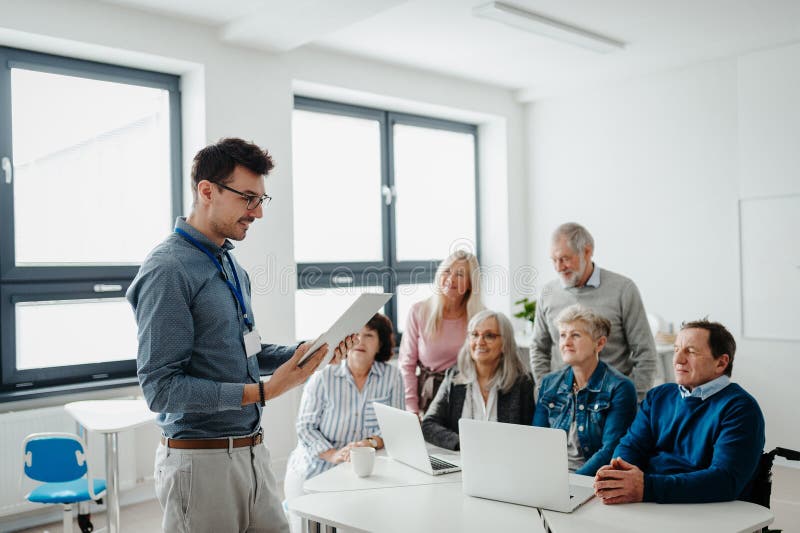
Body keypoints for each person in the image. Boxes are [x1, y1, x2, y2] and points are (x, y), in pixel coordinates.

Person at [127, 138, 353, 533]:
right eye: (248, 198)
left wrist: (306, 352)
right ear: (207, 191)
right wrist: (264, 392)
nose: (258, 213)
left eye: (262, 200)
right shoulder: (168, 270)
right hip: (200, 464)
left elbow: (247, 352)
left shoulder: (230, 265)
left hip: (252, 453)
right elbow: (161, 389)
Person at [593, 320, 765, 504]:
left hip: (704, 510)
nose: (678, 360)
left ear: (721, 363)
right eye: (676, 350)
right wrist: (619, 477)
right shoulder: (658, 396)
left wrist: (646, 487)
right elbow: (631, 447)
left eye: (690, 351)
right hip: (650, 502)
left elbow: (724, 481)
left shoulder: (740, 408)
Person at [283, 313, 403, 531]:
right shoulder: (323, 376)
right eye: (355, 335)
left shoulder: (392, 377)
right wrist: (333, 455)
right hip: (315, 467)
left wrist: (369, 443)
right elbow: (305, 427)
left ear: (380, 344)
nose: (360, 341)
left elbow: (395, 428)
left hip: (362, 471)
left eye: (369, 335)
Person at [531, 222, 657, 400]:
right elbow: (538, 348)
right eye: (554, 260)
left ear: (587, 252)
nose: (559, 267)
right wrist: (546, 391)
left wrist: (633, 400)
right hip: (562, 404)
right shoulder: (547, 294)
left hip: (612, 403)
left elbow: (646, 353)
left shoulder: (623, 289)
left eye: (565, 259)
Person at [533, 304, 637, 476]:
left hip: (592, 480)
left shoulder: (620, 388)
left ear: (600, 343)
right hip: (549, 475)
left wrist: (571, 483)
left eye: (575, 335)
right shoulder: (549, 383)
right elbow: (536, 439)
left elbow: (610, 450)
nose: (566, 342)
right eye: (563, 335)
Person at [421, 310, 534, 450]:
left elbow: (530, 435)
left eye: (489, 336)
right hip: (462, 461)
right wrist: (462, 443)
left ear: (505, 343)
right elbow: (428, 424)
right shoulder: (454, 377)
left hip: (506, 462)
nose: (480, 342)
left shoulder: (522, 383)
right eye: (474, 335)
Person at [399, 250, 484, 416]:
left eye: (459, 274)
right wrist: (411, 408)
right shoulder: (419, 311)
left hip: (467, 396)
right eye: (447, 271)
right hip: (428, 397)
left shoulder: (480, 317)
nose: (451, 279)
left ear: (470, 283)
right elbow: (406, 365)